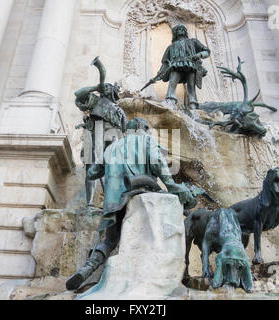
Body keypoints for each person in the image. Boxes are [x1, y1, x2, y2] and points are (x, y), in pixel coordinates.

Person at [66, 118, 196, 290]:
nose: (149, 133)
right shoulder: (146, 140)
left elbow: (92, 173)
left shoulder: (112, 147)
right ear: (143, 128)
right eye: (148, 130)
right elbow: (157, 162)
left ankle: (87, 268)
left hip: (114, 202)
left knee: (110, 240)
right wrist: (172, 185)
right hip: (140, 191)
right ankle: (157, 274)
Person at [75, 57, 127, 208]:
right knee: (91, 167)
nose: (106, 88)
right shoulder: (96, 100)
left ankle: (113, 200)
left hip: (114, 137)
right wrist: (95, 87)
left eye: (108, 87)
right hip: (96, 134)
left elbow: (124, 130)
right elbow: (78, 94)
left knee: (114, 168)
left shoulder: (119, 110)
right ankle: (90, 202)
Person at [150, 24, 211, 109]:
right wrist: (159, 75)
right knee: (172, 82)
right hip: (176, 65)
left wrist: (199, 55)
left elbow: (206, 51)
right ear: (175, 32)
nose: (181, 30)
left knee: (191, 85)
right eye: (179, 29)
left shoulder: (193, 41)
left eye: (183, 29)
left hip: (191, 65)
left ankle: (193, 104)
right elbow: (165, 63)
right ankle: (170, 100)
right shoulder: (171, 47)